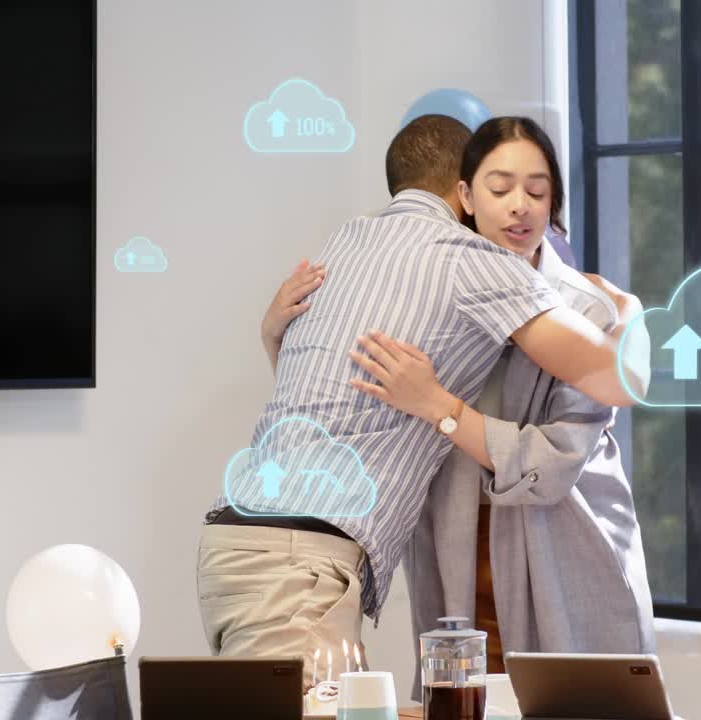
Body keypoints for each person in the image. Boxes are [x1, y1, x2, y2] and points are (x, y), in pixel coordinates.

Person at [198, 114, 650, 689]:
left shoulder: (349, 245)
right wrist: (633, 313)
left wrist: (624, 310)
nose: (518, 206)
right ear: (463, 193)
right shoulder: (459, 263)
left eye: (536, 191)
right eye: (498, 187)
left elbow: (573, 439)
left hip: (556, 572)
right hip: (343, 566)